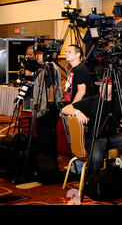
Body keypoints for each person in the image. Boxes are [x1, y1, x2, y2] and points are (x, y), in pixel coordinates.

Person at [61, 79, 122, 176]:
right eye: (101, 86)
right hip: (95, 137)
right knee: (96, 157)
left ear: (112, 88)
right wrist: (77, 112)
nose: (102, 88)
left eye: (105, 86)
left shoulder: (118, 102)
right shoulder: (92, 100)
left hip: (113, 137)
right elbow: (65, 109)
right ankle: (92, 182)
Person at [32, 50, 64, 184]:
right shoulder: (44, 68)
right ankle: (45, 167)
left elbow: (54, 87)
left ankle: (49, 169)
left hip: (48, 110)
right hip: (44, 109)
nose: (35, 57)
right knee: (43, 140)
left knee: (47, 139)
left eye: (38, 54)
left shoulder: (51, 67)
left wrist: (49, 106)